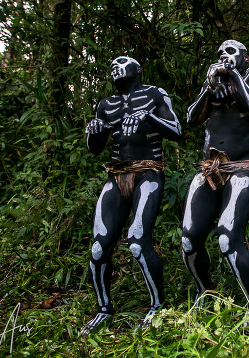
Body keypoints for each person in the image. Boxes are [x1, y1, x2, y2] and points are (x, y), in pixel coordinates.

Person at [81, 56, 182, 334]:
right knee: (99, 247)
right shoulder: (105, 105)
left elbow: (177, 130)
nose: (115, 65)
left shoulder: (154, 94)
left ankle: (156, 306)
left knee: (137, 243)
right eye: (112, 63)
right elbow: (96, 148)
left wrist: (148, 116)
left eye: (123, 62)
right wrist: (94, 132)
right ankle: (103, 309)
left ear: (138, 69)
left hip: (148, 173)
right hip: (116, 175)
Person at [182, 40, 249, 311]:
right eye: (220, 53)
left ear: (245, 56)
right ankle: (203, 291)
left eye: (230, 52)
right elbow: (190, 118)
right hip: (209, 169)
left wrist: (231, 75)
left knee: (227, 238)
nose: (223, 56)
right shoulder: (214, 83)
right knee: (188, 240)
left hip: (242, 168)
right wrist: (208, 88)